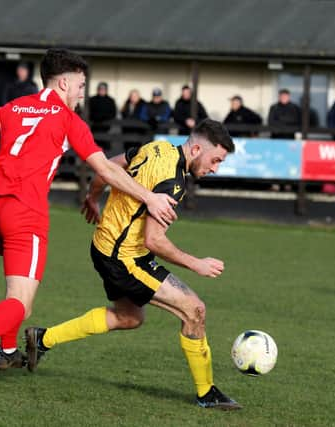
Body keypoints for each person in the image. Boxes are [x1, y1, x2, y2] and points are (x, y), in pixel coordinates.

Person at [0, 48, 178, 385]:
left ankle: (8, 352)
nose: (83, 94)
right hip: (25, 213)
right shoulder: (69, 120)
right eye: (81, 86)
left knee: (16, 291)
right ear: (64, 83)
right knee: (20, 304)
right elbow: (105, 168)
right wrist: (149, 197)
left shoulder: (12, 107)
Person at [24, 119, 241, 410]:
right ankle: (207, 392)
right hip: (124, 257)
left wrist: (92, 196)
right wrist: (196, 264)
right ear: (198, 148)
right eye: (215, 160)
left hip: (104, 246)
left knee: (129, 318)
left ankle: (42, 339)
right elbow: (154, 240)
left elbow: (108, 166)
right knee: (194, 309)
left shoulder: (156, 147)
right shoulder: (173, 182)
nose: (215, 168)